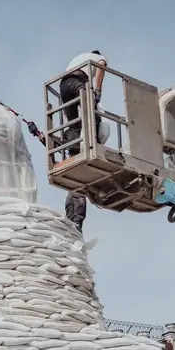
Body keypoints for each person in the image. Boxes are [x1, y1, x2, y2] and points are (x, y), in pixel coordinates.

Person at [55, 50, 106, 232]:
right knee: (91, 112)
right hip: (78, 82)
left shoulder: (77, 59)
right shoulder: (96, 58)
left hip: (63, 86)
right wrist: (97, 91)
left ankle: (74, 141)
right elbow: (101, 67)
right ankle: (76, 225)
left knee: (75, 123)